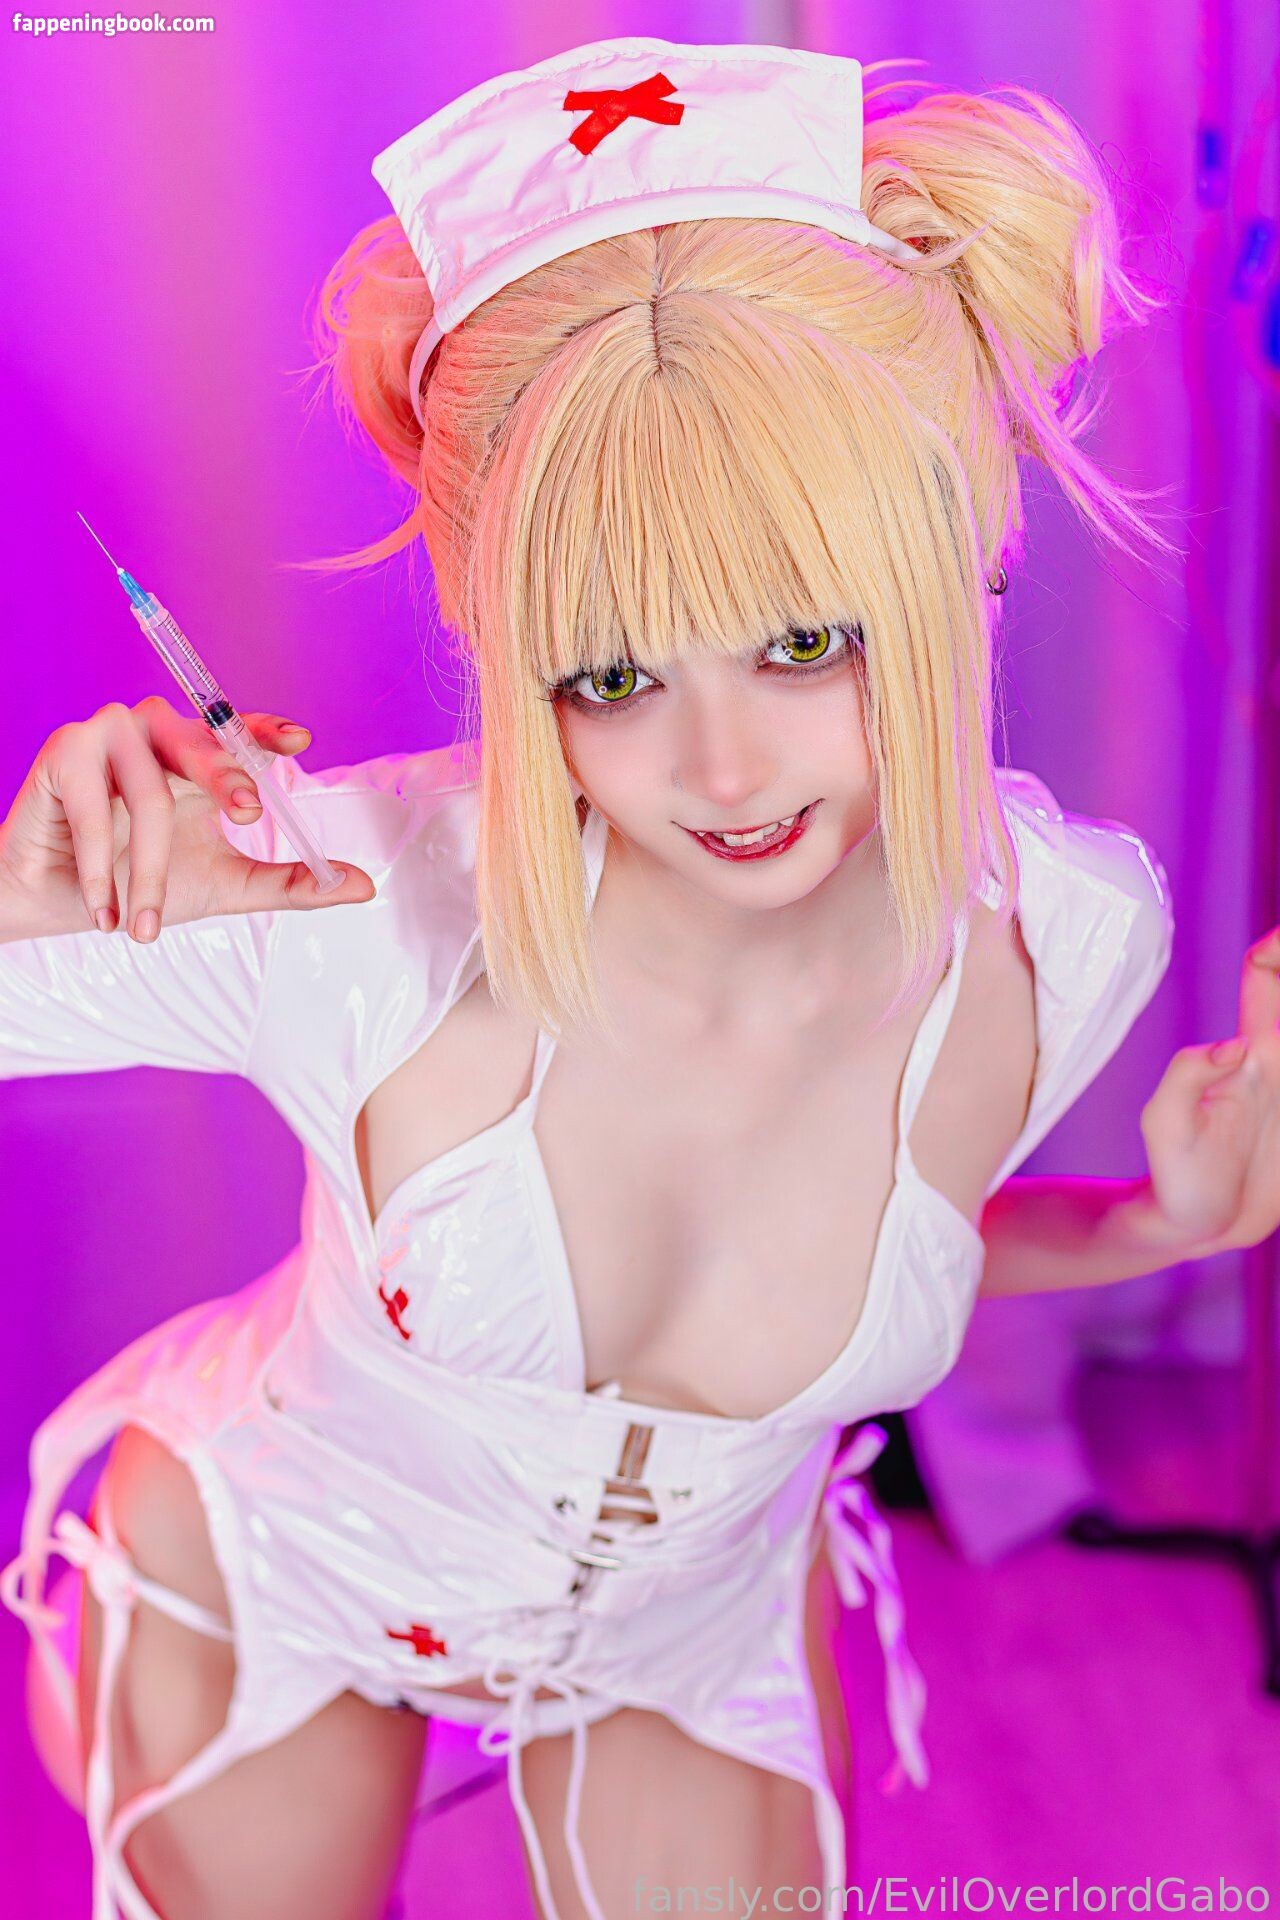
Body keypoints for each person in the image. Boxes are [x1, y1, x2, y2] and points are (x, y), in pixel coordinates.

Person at [4, 35, 1280, 1920]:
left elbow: (871, 1239)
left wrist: (1164, 1230)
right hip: (273, 1565)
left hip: (693, 1627)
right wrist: (26, 897)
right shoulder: (334, 900)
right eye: (611, 674)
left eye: (806, 644)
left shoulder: (1066, 940)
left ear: (972, 552)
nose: (725, 771)